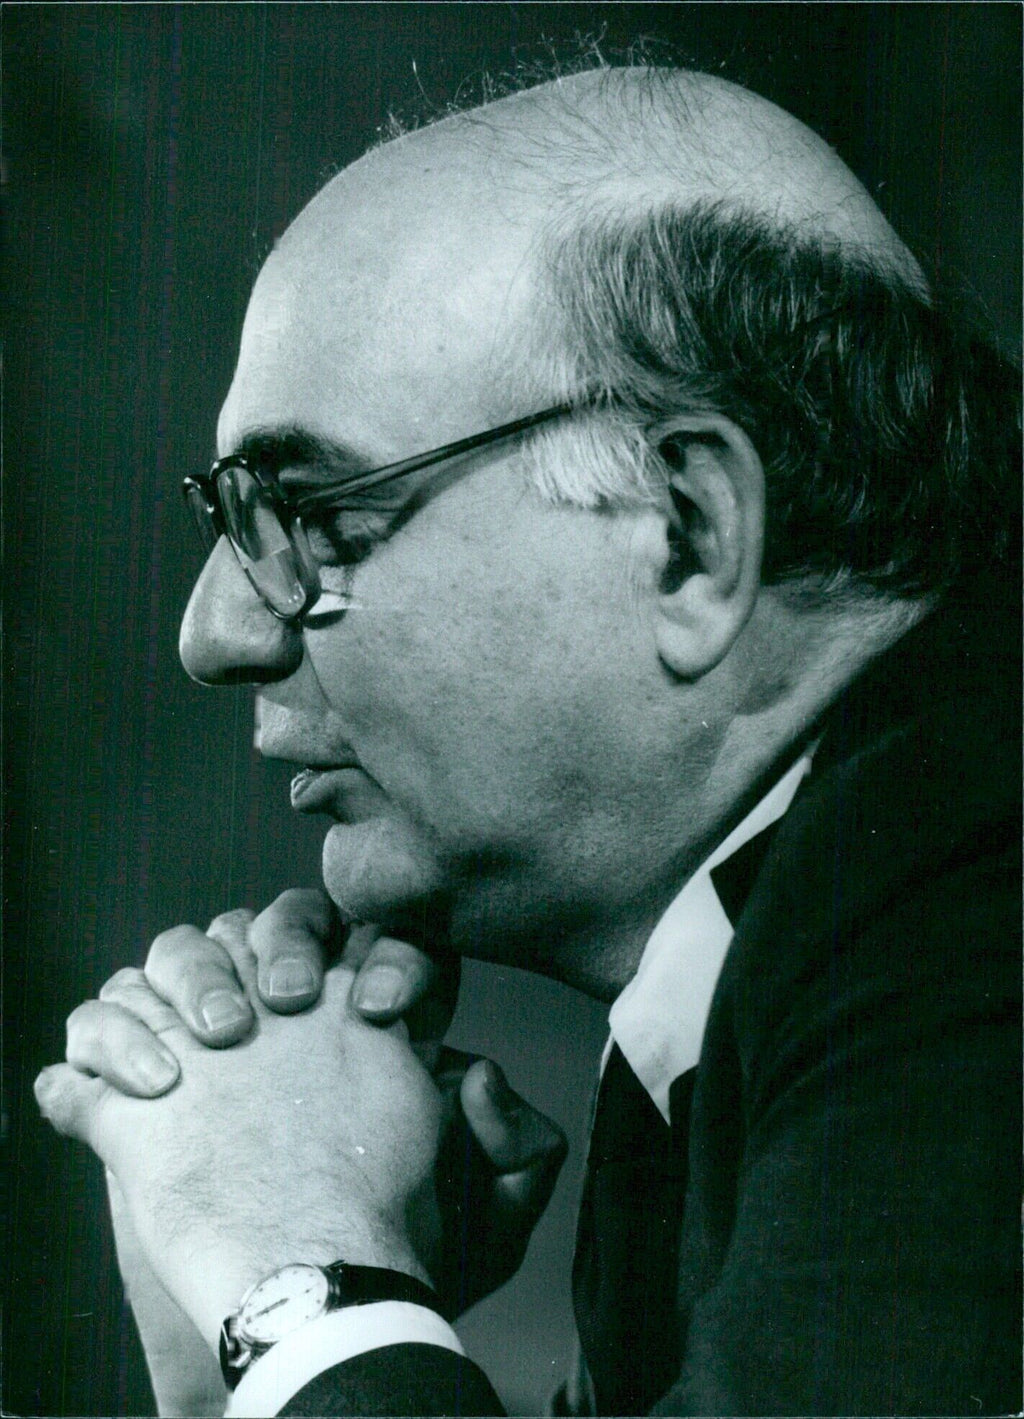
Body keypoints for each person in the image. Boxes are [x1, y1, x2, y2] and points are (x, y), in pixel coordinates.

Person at [35, 63, 1020, 1417]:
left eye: (312, 515)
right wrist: (244, 1359)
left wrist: (304, 1281)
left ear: (687, 536)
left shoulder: (975, 905)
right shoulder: (805, 946)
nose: (216, 636)